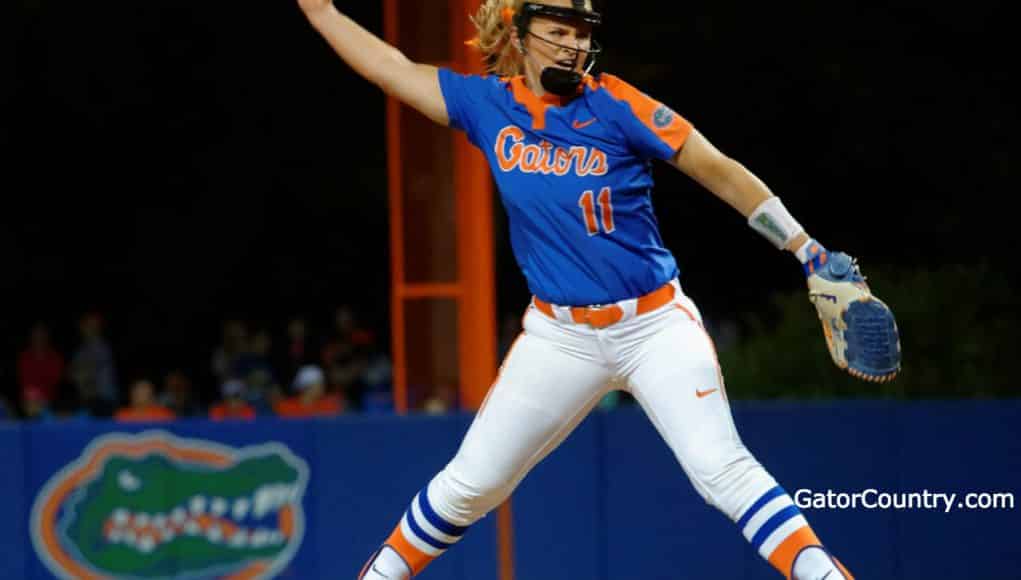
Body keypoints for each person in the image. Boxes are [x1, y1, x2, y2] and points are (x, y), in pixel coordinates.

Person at [297, 1, 855, 578]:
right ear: (521, 36)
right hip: (559, 338)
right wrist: (321, 12)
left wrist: (806, 249)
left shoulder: (615, 103)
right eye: (557, 31)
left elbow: (719, 169)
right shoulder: (489, 106)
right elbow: (390, 66)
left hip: (653, 326)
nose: (572, 44)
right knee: (469, 487)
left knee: (723, 472)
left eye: (581, 33)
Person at [273, 364, 343, 418]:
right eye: (318, 385)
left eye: (322, 384)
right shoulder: (285, 407)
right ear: (306, 387)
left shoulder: (330, 407)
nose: (322, 388)